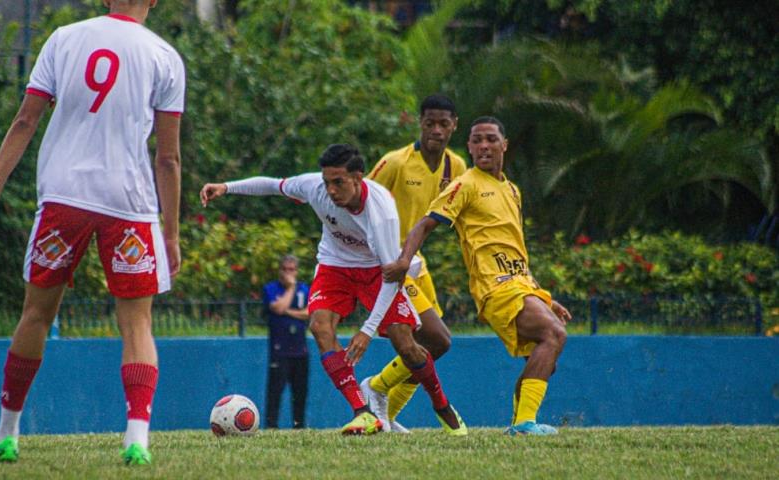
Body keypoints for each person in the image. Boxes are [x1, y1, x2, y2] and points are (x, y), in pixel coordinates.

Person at [0, 0, 184, 465]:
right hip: (128, 202)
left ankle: (5, 434)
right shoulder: (164, 56)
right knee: (137, 323)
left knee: (36, 314)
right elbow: (168, 158)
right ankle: (136, 440)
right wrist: (171, 234)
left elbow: (25, 121)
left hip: (64, 197)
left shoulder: (64, 39)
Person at [200, 144, 467, 436]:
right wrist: (226, 187)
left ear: (358, 178)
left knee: (405, 343)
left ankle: (442, 405)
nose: (331, 190)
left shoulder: (381, 214)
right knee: (320, 326)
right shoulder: (314, 187)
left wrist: (367, 330)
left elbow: (392, 277)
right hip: (334, 266)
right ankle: (362, 413)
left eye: (338, 182)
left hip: (376, 272)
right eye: (327, 181)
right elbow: (273, 186)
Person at [383, 117, 571, 436]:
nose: (484, 146)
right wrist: (403, 261)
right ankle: (524, 424)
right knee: (553, 334)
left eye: (491, 139)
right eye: (477, 140)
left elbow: (516, 249)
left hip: (521, 285)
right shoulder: (465, 184)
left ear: (504, 145)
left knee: (544, 356)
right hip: (495, 287)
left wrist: (544, 298)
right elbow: (424, 224)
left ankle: (521, 422)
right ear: (469, 147)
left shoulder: (511, 190)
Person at [359, 94, 467, 433]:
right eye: (430, 122)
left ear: (454, 126)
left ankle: (386, 415)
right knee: (438, 339)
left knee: (432, 346)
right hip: (391, 266)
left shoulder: (456, 167)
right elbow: (359, 202)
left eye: (443, 123)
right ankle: (376, 387)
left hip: (418, 265)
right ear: (420, 122)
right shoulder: (396, 162)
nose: (436, 130)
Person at [263, 255, 311, 429]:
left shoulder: (304, 289)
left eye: (291, 270)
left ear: (296, 271)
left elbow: (309, 312)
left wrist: (288, 311)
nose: (287, 273)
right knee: (275, 391)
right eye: (284, 269)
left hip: (300, 350)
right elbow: (277, 308)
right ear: (279, 271)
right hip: (279, 350)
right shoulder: (271, 288)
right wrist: (290, 288)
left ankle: (299, 426)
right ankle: (271, 426)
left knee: (300, 392)